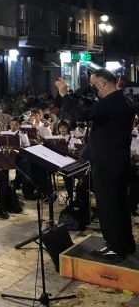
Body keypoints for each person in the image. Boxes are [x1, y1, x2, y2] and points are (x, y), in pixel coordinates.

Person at [56, 71, 136, 260]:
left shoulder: (110, 102)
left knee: (108, 207)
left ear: (102, 83)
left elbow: (79, 115)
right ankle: (126, 244)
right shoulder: (125, 100)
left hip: (106, 163)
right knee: (119, 204)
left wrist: (64, 94)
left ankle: (115, 248)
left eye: (94, 85)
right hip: (119, 161)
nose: (94, 89)